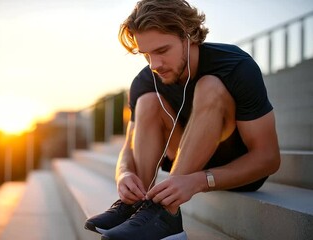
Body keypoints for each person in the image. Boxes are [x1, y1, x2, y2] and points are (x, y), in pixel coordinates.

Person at [84, 0, 281, 239]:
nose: (154, 64)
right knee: (148, 99)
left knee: (210, 85)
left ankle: (164, 212)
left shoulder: (236, 65)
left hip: (233, 167)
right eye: (146, 54)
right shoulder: (146, 80)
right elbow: (129, 145)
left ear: (189, 35)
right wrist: (123, 174)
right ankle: (138, 206)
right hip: (181, 157)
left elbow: (268, 158)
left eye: (162, 50)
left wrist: (199, 181)